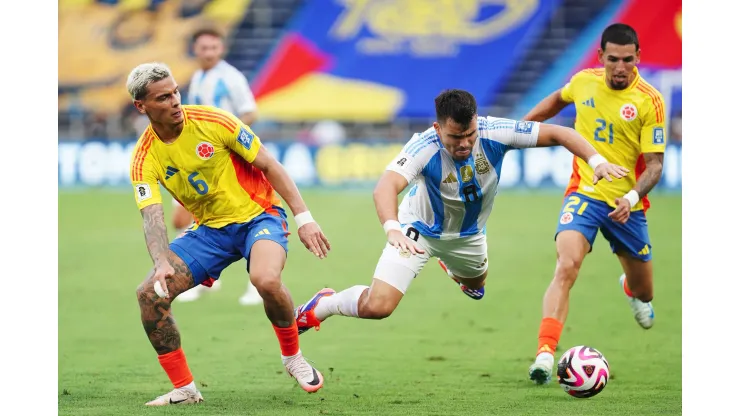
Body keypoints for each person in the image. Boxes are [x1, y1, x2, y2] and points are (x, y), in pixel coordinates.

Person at [292, 89, 627, 344]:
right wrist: (392, 227)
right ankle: (325, 304)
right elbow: (385, 186)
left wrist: (597, 162)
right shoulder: (423, 147)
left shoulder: (495, 131)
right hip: (416, 232)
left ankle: (456, 270)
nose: (465, 143)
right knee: (378, 307)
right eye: (455, 137)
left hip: (468, 237)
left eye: (470, 135)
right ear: (438, 128)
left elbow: (561, 134)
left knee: (477, 285)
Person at [127, 62, 331, 406]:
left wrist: (305, 218)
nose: (175, 101)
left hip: (258, 217)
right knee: (150, 294)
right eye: (164, 97)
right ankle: (186, 389)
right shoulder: (144, 157)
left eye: (176, 91)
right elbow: (152, 216)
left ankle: (292, 356)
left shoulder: (213, 120)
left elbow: (269, 165)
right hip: (208, 233)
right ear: (141, 106)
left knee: (265, 280)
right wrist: (161, 260)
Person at [521, 23, 666, 384]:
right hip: (584, 193)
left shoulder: (650, 100)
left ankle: (631, 289)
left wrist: (631, 198)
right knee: (566, 265)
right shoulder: (584, 81)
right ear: (600, 56)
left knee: (646, 290)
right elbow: (558, 99)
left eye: (628, 60)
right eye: (613, 59)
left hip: (627, 205)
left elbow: (655, 166)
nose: (620, 67)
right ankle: (544, 353)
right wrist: (522, 127)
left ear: (638, 58)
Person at [177, 27, 262, 304]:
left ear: (221, 49)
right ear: (196, 50)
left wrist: (227, 138)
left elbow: (250, 111)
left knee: (245, 219)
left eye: (214, 47)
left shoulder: (230, 77)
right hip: (202, 159)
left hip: (228, 159)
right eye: (205, 48)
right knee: (188, 217)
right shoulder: (199, 77)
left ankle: (257, 285)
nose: (210, 53)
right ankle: (204, 279)